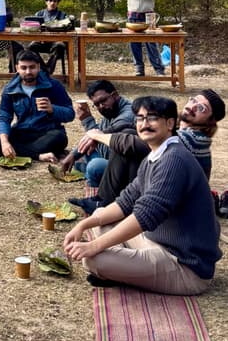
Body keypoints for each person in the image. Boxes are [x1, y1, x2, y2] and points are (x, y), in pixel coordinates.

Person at [63, 96, 222, 294]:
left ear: (170, 123)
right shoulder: (155, 155)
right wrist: (83, 224)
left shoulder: (175, 159)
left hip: (184, 265)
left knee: (93, 259)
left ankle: (123, 268)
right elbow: (125, 201)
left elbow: (146, 215)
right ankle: (128, 266)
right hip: (155, 242)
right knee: (102, 219)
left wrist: (94, 246)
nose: (144, 124)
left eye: (152, 118)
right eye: (139, 118)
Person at [71, 88, 226, 214]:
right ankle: (103, 201)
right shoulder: (177, 127)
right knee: (121, 144)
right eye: (193, 100)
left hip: (176, 202)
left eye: (201, 108)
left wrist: (97, 135)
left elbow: (137, 144)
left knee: (107, 159)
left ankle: (104, 203)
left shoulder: (195, 139)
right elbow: (129, 128)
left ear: (210, 120)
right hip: (159, 184)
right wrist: (96, 134)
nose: (191, 107)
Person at [0, 49, 75, 160]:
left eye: (32, 67)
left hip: (47, 133)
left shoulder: (53, 85)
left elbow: (70, 114)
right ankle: (38, 155)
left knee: (59, 138)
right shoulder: (10, 89)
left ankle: (20, 152)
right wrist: (4, 142)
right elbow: (4, 117)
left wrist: (52, 109)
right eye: (23, 68)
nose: (28, 72)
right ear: (17, 68)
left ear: (38, 67)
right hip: (21, 132)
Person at [43, 79, 134, 178]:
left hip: (127, 165)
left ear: (115, 95)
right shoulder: (110, 112)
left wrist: (88, 121)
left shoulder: (129, 113)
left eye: (103, 100)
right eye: (97, 104)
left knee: (95, 166)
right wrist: (74, 154)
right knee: (82, 156)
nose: (101, 106)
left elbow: (103, 139)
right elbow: (97, 136)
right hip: (108, 158)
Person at [123, 0, 164, 76]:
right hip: (133, 16)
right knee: (134, 43)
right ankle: (139, 69)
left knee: (151, 43)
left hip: (148, 15)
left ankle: (159, 69)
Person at [12, 0, 71, 74]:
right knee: (31, 48)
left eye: (55, 1)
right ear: (46, 2)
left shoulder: (63, 15)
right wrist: (39, 38)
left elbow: (67, 29)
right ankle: (44, 68)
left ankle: (49, 69)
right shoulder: (39, 14)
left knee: (60, 46)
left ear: (58, 3)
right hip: (41, 41)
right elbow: (32, 28)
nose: (52, 3)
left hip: (56, 42)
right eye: (50, 1)